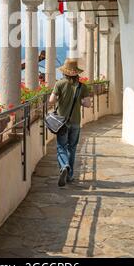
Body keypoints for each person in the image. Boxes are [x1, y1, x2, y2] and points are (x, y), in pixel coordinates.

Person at [49, 59, 91, 187]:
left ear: (65, 72)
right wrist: (80, 102)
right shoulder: (82, 87)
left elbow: (51, 100)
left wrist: (60, 98)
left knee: (61, 146)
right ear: (76, 73)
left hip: (62, 122)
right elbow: (88, 104)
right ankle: (70, 175)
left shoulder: (59, 84)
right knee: (72, 148)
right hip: (76, 122)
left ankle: (64, 166)